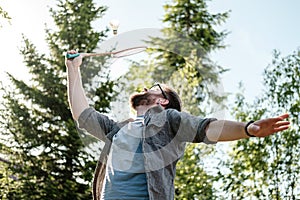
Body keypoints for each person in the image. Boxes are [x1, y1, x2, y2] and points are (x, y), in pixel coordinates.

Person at [65, 50, 290, 200]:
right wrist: (72, 68)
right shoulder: (118, 130)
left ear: (163, 100)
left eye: (152, 88)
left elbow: (206, 128)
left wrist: (248, 128)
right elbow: (82, 114)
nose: (145, 88)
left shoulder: (168, 121)